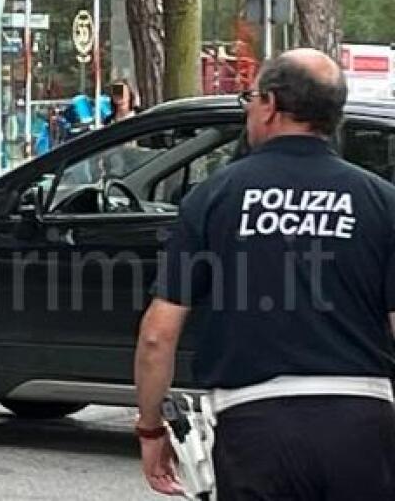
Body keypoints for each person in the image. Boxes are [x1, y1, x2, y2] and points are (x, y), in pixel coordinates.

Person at [134, 49, 395, 499]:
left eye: (250, 98)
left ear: (270, 104)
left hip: (255, 426)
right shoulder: (381, 201)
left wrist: (151, 429)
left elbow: (158, 334)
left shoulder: (214, 197)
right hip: (363, 427)